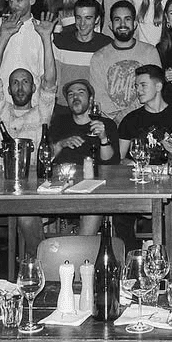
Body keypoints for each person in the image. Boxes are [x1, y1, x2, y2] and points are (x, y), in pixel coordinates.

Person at [0, 13, 58, 255]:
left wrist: (46, 38)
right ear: (8, 89)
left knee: (27, 216)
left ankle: (35, 263)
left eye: (25, 82)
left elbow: (50, 80)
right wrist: (4, 37)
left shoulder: (42, 113)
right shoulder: (1, 110)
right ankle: (40, 263)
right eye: (15, 83)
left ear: (33, 87)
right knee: (27, 215)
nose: (19, 87)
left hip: (34, 182)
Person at [48, 79, 119, 236]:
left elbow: (112, 163)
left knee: (94, 208)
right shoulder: (59, 123)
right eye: (71, 94)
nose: (75, 97)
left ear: (91, 99)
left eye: (81, 93)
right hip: (61, 189)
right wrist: (61, 144)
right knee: (25, 215)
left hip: (95, 191)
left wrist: (103, 138)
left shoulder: (106, 125)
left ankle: (80, 248)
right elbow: (46, 159)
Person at [89, 1, 162, 124]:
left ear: (135, 24)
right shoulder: (99, 57)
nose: (122, 24)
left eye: (127, 19)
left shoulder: (150, 52)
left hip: (146, 119)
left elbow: (155, 91)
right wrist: (116, 121)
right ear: (110, 25)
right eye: (117, 19)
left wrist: (126, 116)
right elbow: (99, 97)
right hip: (111, 123)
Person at [117, 65, 172, 160]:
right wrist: (132, 164)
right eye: (136, 86)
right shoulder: (130, 120)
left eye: (143, 85)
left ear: (158, 86)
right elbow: (119, 159)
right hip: (140, 169)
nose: (138, 90)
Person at [52, 0, 111, 113]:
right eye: (78, 18)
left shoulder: (107, 45)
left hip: (95, 109)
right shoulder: (60, 43)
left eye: (88, 18)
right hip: (64, 108)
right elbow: (53, 80)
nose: (82, 24)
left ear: (97, 19)